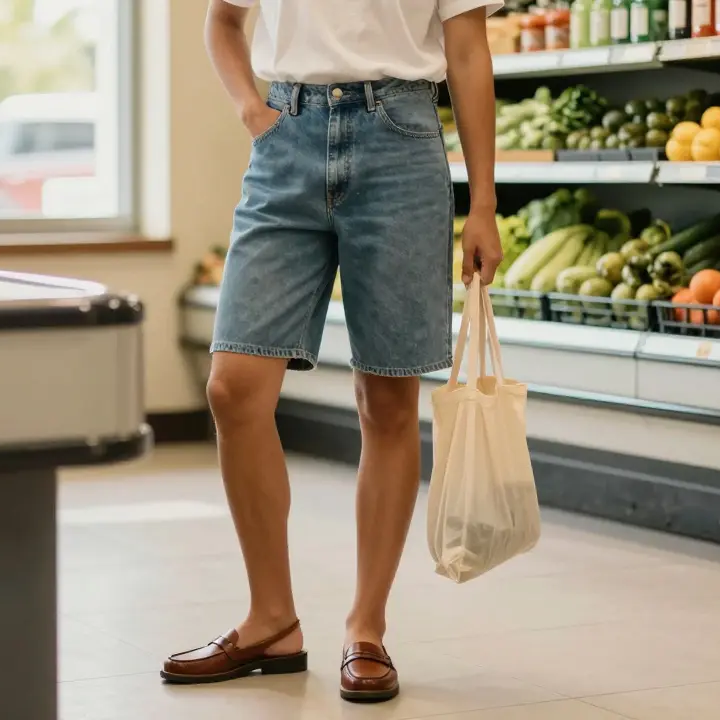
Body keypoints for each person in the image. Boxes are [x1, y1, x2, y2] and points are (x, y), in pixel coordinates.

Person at [161, 0, 503, 703]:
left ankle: (366, 628)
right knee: (233, 388)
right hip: (285, 141)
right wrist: (254, 114)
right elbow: (223, 19)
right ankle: (271, 621)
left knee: (386, 401)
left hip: (400, 144)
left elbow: (467, 52)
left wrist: (484, 204)